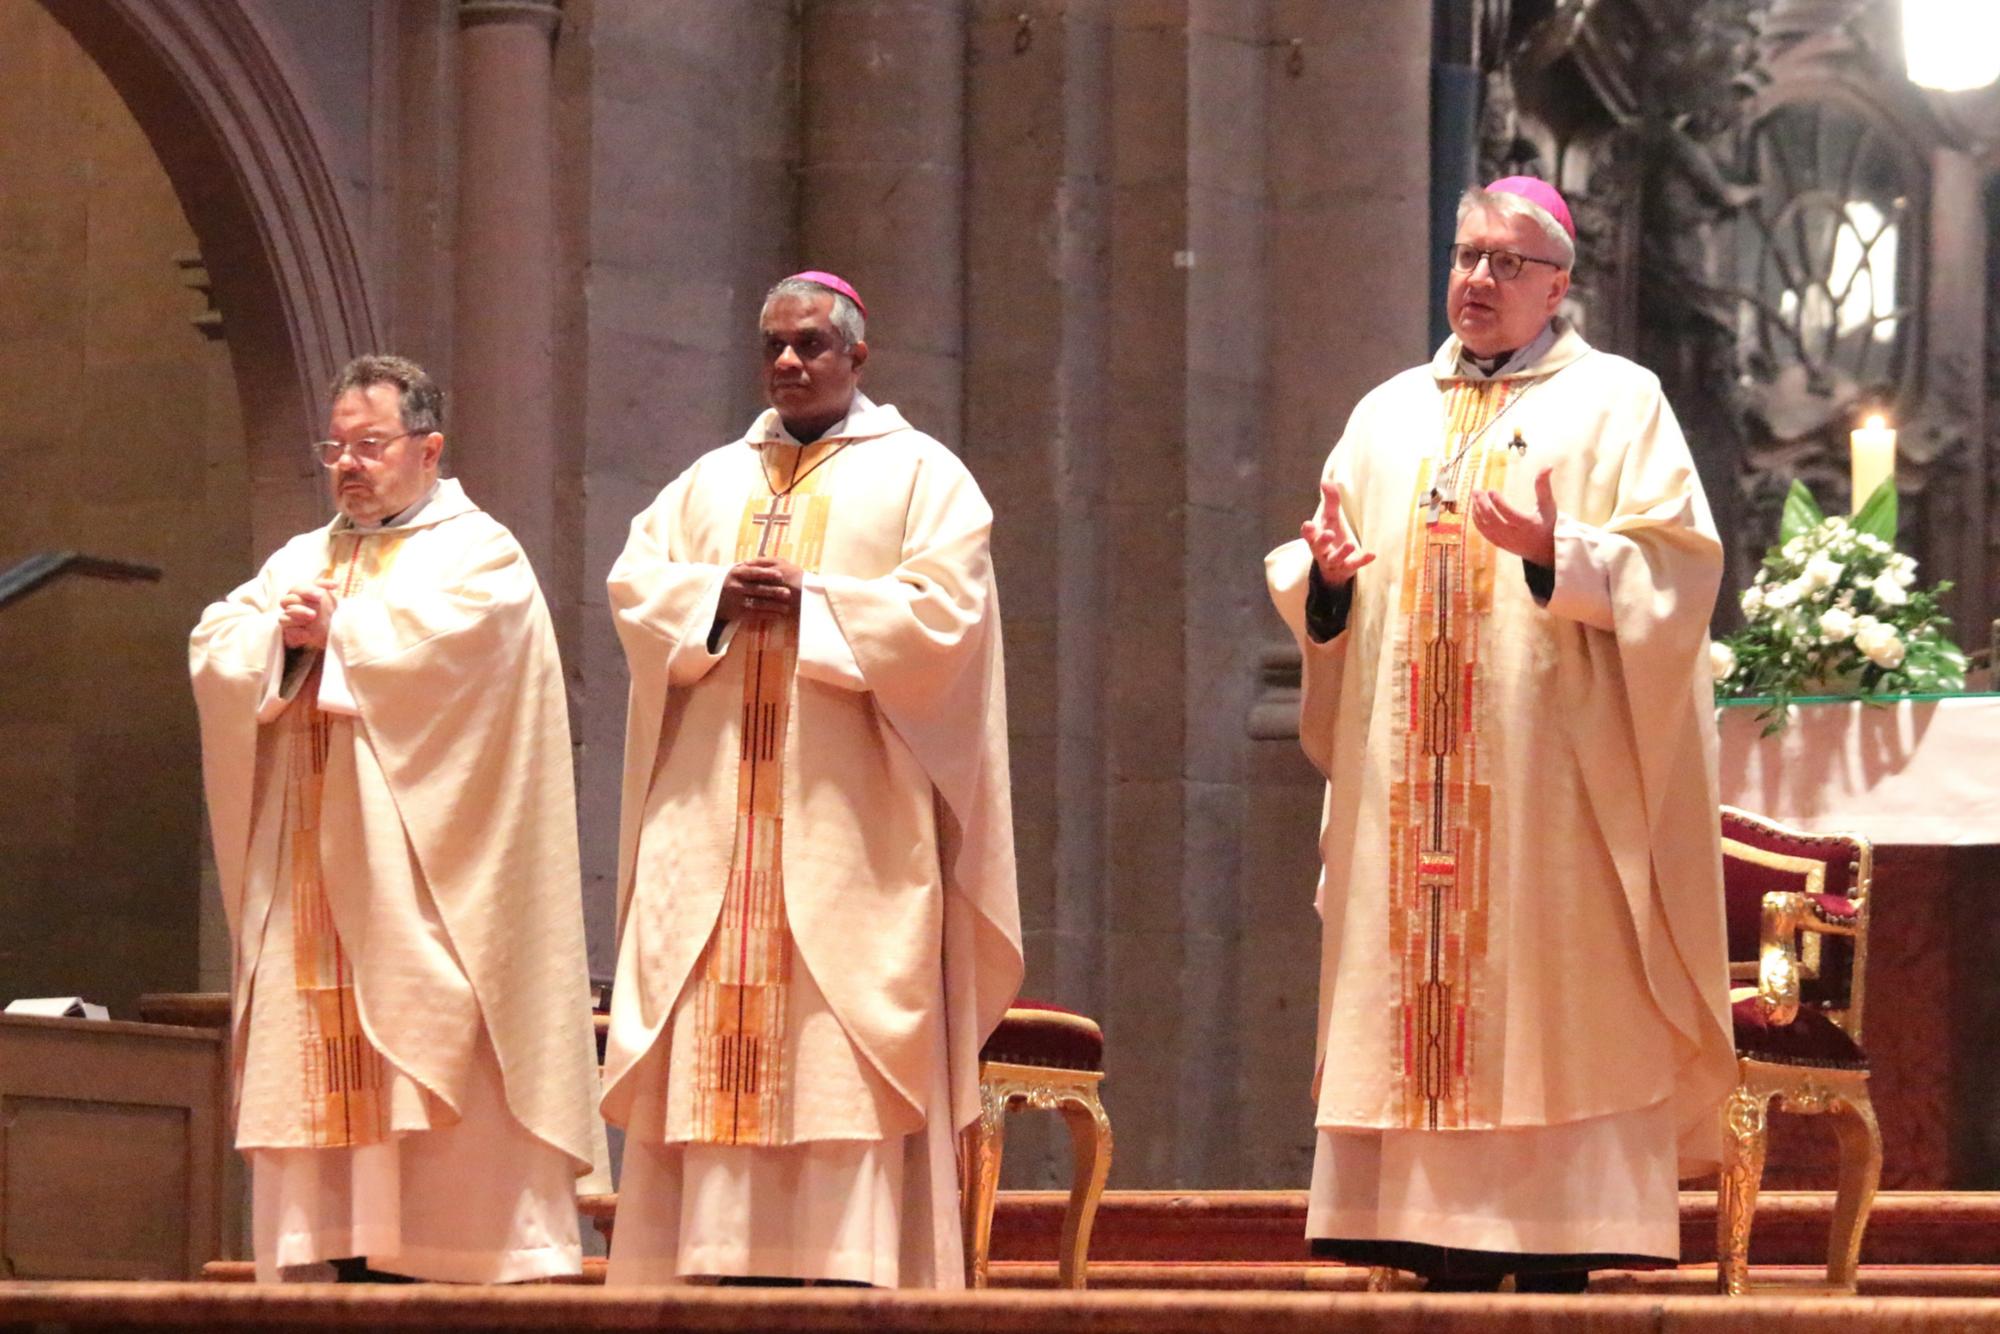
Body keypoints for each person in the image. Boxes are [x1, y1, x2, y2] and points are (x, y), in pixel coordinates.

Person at [1265, 179, 1734, 1292]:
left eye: (1504, 262)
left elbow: (1679, 566)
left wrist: (1556, 551)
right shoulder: (1385, 412)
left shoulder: (1619, 403)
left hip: (1548, 791)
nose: (1475, 279)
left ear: (1557, 285)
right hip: (1404, 791)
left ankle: (1561, 1229)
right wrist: (1323, 584)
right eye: (1464, 255)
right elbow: (1318, 566)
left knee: (1551, 1001)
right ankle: (1420, 1226)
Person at [600, 272, 1022, 1288]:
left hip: (852, 842)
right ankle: (703, 1272)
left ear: (856, 358)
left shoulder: (926, 479)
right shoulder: (705, 484)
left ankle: (845, 1273)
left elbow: (945, 617)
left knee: (839, 1048)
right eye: (774, 346)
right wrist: (710, 597)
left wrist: (814, 604)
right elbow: (635, 587)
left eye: (810, 344)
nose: (788, 362)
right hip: (715, 837)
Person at [189, 355, 605, 1283]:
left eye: (371, 445)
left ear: (429, 448)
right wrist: (274, 641)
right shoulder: (302, 557)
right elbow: (218, 641)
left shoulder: (481, 556)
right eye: (335, 447)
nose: (349, 464)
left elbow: (461, 664)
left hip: (419, 897)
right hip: (313, 905)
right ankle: (336, 1253)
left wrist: (345, 636)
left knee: (428, 1187)